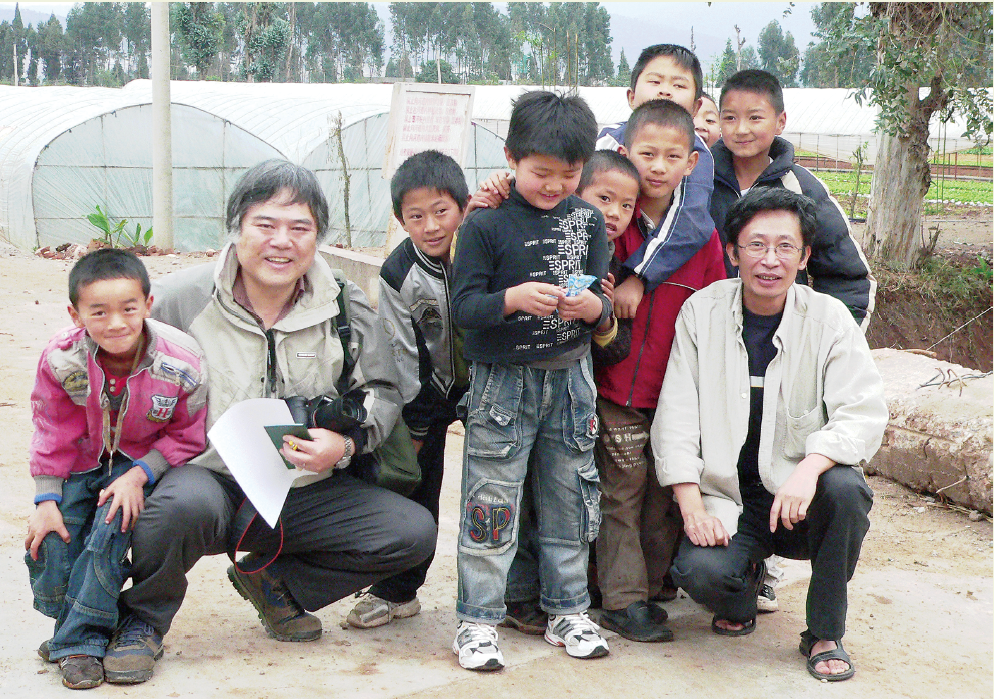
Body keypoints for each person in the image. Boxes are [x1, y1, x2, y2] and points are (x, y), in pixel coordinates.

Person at [102, 160, 437, 684]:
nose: (282, 242)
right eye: (265, 225)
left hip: (301, 488)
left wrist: (342, 446)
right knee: (174, 508)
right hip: (204, 479)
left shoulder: (343, 304)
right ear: (236, 228)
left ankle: (275, 584)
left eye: (299, 228)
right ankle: (141, 622)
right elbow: (113, 378)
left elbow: (383, 390)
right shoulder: (178, 300)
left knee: (409, 532)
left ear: (318, 237)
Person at [652, 188, 887, 682]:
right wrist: (691, 504)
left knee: (845, 490)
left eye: (785, 247)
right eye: (756, 245)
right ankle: (744, 584)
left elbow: (862, 413)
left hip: (798, 502)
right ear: (732, 252)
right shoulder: (701, 313)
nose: (770, 261)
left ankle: (824, 632)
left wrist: (809, 469)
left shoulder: (829, 320)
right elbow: (676, 415)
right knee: (700, 573)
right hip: (729, 497)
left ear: (804, 257)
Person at [450, 90, 612, 671]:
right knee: (491, 500)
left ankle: (569, 609)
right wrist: (512, 300)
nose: (554, 186)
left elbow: (606, 304)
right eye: (541, 173)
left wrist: (592, 311)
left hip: (571, 383)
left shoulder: (588, 220)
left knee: (570, 498)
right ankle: (477, 620)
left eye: (568, 175)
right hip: (501, 388)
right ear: (511, 158)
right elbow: (463, 308)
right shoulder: (485, 226)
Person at [25, 249, 208, 690]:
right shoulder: (62, 359)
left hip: (139, 461)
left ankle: (79, 645)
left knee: (110, 524)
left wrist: (140, 473)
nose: (116, 324)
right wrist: (46, 498)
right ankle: (73, 621)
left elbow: (189, 435)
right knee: (53, 535)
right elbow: (53, 430)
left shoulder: (181, 361)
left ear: (148, 304)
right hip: (82, 461)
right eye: (98, 312)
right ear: (76, 314)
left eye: (128, 309)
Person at [594, 100, 727, 643]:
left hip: (675, 396)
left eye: (673, 156)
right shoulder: (609, 223)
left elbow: (720, 309)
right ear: (624, 152)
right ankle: (622, 602)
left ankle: (651, 589)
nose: (657, 166)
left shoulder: (702, 237)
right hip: (615, 388)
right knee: (621, 491)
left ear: (692, 163)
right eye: (646, 154)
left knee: (663, 494)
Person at [499, 150, 641, 636]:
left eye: (626, 205)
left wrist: (599, 313)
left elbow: (616, 348)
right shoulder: (529, 239)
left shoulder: (612, 266)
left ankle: (559, 597)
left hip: (578, 400)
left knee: (564, 500)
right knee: (519, 498)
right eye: (603, 199)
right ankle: (518, 595)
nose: (614, 214)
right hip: (517, 390)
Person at [347, 150, 470, 629]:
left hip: (489, 387)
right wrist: (418, 418)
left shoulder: (478, 247)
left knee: (495, 491)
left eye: (442, 211)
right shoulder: (398, 272)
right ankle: (398, 590)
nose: (431, 226)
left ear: (462, 207)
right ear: (401, 220)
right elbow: (401, 351)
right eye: (416, 216)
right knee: (416, 487)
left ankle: (508, 591)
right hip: (427, 396)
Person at [711, 69, 875, 328]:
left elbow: (847, 278)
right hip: (710, 332)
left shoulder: (802, 187)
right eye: (730, 118)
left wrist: (831, 345)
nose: (741, 129)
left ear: (780, 121)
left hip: (784, 337)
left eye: (755, 117)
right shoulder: (697, 183)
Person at [596, 44, 716, 308]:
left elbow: (690, 217)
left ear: (696, 107)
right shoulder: (607, 138)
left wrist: (639, 276)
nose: (665, 90)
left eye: (679, 85)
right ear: (631, 96)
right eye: (654, 81)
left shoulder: (697, 152)